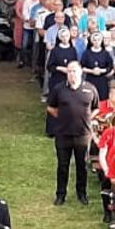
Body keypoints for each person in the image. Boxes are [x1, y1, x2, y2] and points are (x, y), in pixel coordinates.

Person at [47, 61, 98, 205]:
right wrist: (63, 117)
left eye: (74, 71)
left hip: (83, 134)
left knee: (82, 165)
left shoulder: (90, 89)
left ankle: (82, 194)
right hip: (63, 134)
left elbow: (96, 108)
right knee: (63, 166)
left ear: (81, 72)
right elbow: (51, 108)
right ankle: (60, 195)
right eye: (69, 71)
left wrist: (87, 118)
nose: (72, 74)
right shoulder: (59, 89)